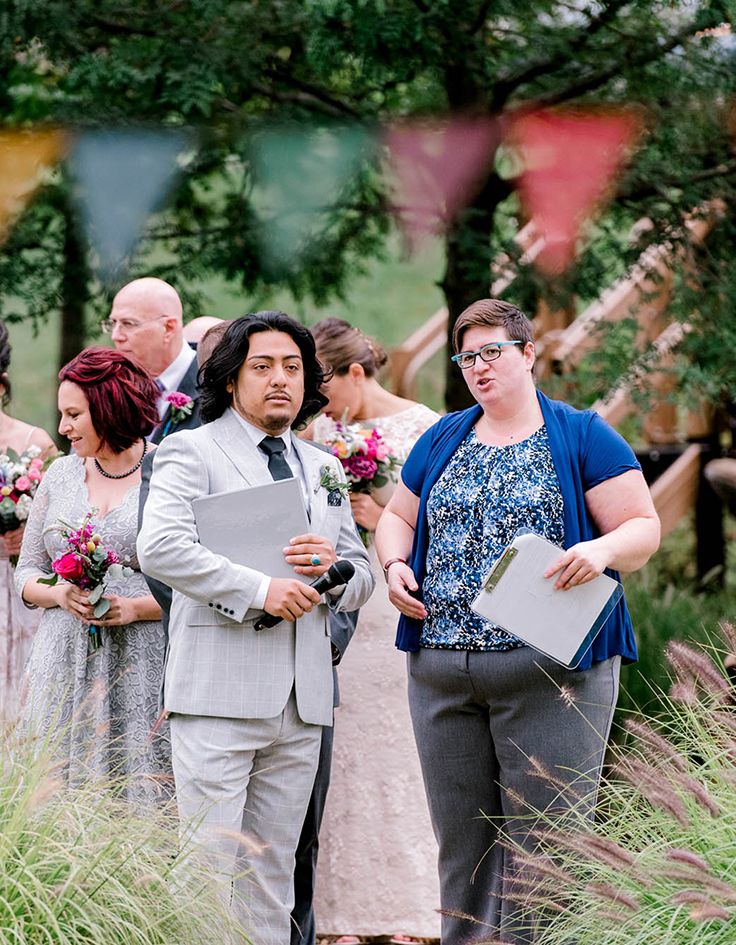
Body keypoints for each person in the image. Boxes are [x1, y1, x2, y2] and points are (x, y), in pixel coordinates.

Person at [375, 299, 661, 945]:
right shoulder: (443, 435)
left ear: (527, 353)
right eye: (466, 356)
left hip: (551, 674)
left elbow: (644, 527)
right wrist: (393, 563)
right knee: (462, 849)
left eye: (492, 352)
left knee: (548, 858)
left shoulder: (581, 433)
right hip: (442, 673)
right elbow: (396, 517)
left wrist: (602, 550)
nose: (479, 367)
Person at [137, 311, 374, 945]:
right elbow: (159, 548)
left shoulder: (323, 465)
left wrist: (336, 570)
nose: (280, 380)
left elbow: (363, 570)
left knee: (273, 884)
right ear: (231, 376)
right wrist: (260, 590)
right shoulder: (190, 448)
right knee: (207, 877)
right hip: (218, 694)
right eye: (262, 366)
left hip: (303, 702)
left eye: (293, 368)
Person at [307, 317, 442, 943]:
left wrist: (380, 509)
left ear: (356, 374)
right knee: (343, 754)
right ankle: (341, 913)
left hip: (400, 603)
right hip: (337, 609)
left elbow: (449, 523)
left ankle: (412, 909)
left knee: (404, 756)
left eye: (323, 383)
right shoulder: (315, 435)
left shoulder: (425, 427)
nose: (317, 397)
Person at [15, 348, 170, 805]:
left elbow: (201, 584)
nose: (62, 427)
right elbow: (26, 572)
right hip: (61, 660)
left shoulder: (170, 472)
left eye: (73, 414)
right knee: (55, 798)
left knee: (141, 792)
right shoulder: (61, 474)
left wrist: (136, 607)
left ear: (110, 406)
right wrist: (59, 593)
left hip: (142, 663)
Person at [0, 321, 56, 718]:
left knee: (25, 698)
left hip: (20, 590)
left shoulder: (33, 443)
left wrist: (28, 532)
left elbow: (67, 519)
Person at [105, 277, 200, 442]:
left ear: (168, 328)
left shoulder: (216, 385)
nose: (116, 336)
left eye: (128, 323)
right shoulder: (108, 387)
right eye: (113, 323)